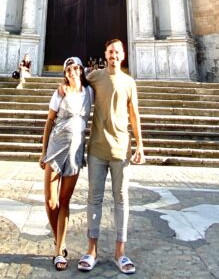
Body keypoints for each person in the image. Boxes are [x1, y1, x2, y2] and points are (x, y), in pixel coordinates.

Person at [76, 39, 144, 275]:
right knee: (94, 198)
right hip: (97, 148)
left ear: (123, 55)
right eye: (110, 52)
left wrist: (140, 145)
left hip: (121, 150)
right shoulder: (95, 77)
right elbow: (76, 88)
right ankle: (91, 250)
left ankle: (120, 253)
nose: (113, 55)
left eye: (117, 52)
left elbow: (134, 114)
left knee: (121, 199)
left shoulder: (129, 82)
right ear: (105, 55)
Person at [40, 56, 93, 271]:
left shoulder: (89, 92)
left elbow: (106, 86)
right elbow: (49, 121)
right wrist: (43, 152)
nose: (73, 71)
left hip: (75, 152)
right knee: (51, 201)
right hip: (55, 149)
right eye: (68, 69)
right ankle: (59, 241)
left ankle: (59, 248)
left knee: (64, 199)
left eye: (76, 68)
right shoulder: (59, 93)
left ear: (81, 70)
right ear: (65, 72)